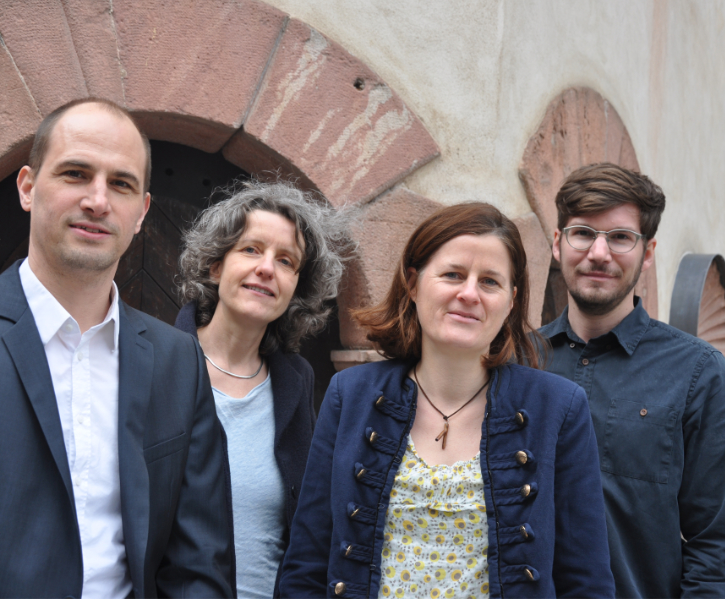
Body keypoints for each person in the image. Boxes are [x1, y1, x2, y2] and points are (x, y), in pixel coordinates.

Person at [0, 98, 233, 598]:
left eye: (121, 183)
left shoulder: (178, 361)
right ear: (28, 187)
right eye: (75, 173)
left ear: (141, 213)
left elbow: (200, 564)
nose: (98, 200)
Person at [279, 202, 614, 599]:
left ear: (510, 301)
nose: (469, 293)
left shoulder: (558, 408)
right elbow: (307, 563)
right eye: (453, 274)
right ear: (413, 283)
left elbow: (586, 581)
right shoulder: (350, 395)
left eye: (490, 281)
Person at [540, 162, 725, 598]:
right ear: (557, 244)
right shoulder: (517, 361)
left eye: (620, 237)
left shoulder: (698, 372)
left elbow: (714, 541)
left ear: (647, 253)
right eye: (583, 232)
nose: (599, 253)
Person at [174, 180, 354, 599]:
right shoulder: (156, 364)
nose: (267, 268)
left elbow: (307, 525)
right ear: (216, 265)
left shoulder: (295, 382)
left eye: (287, 261)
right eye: (251, 249)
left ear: (296, 287)